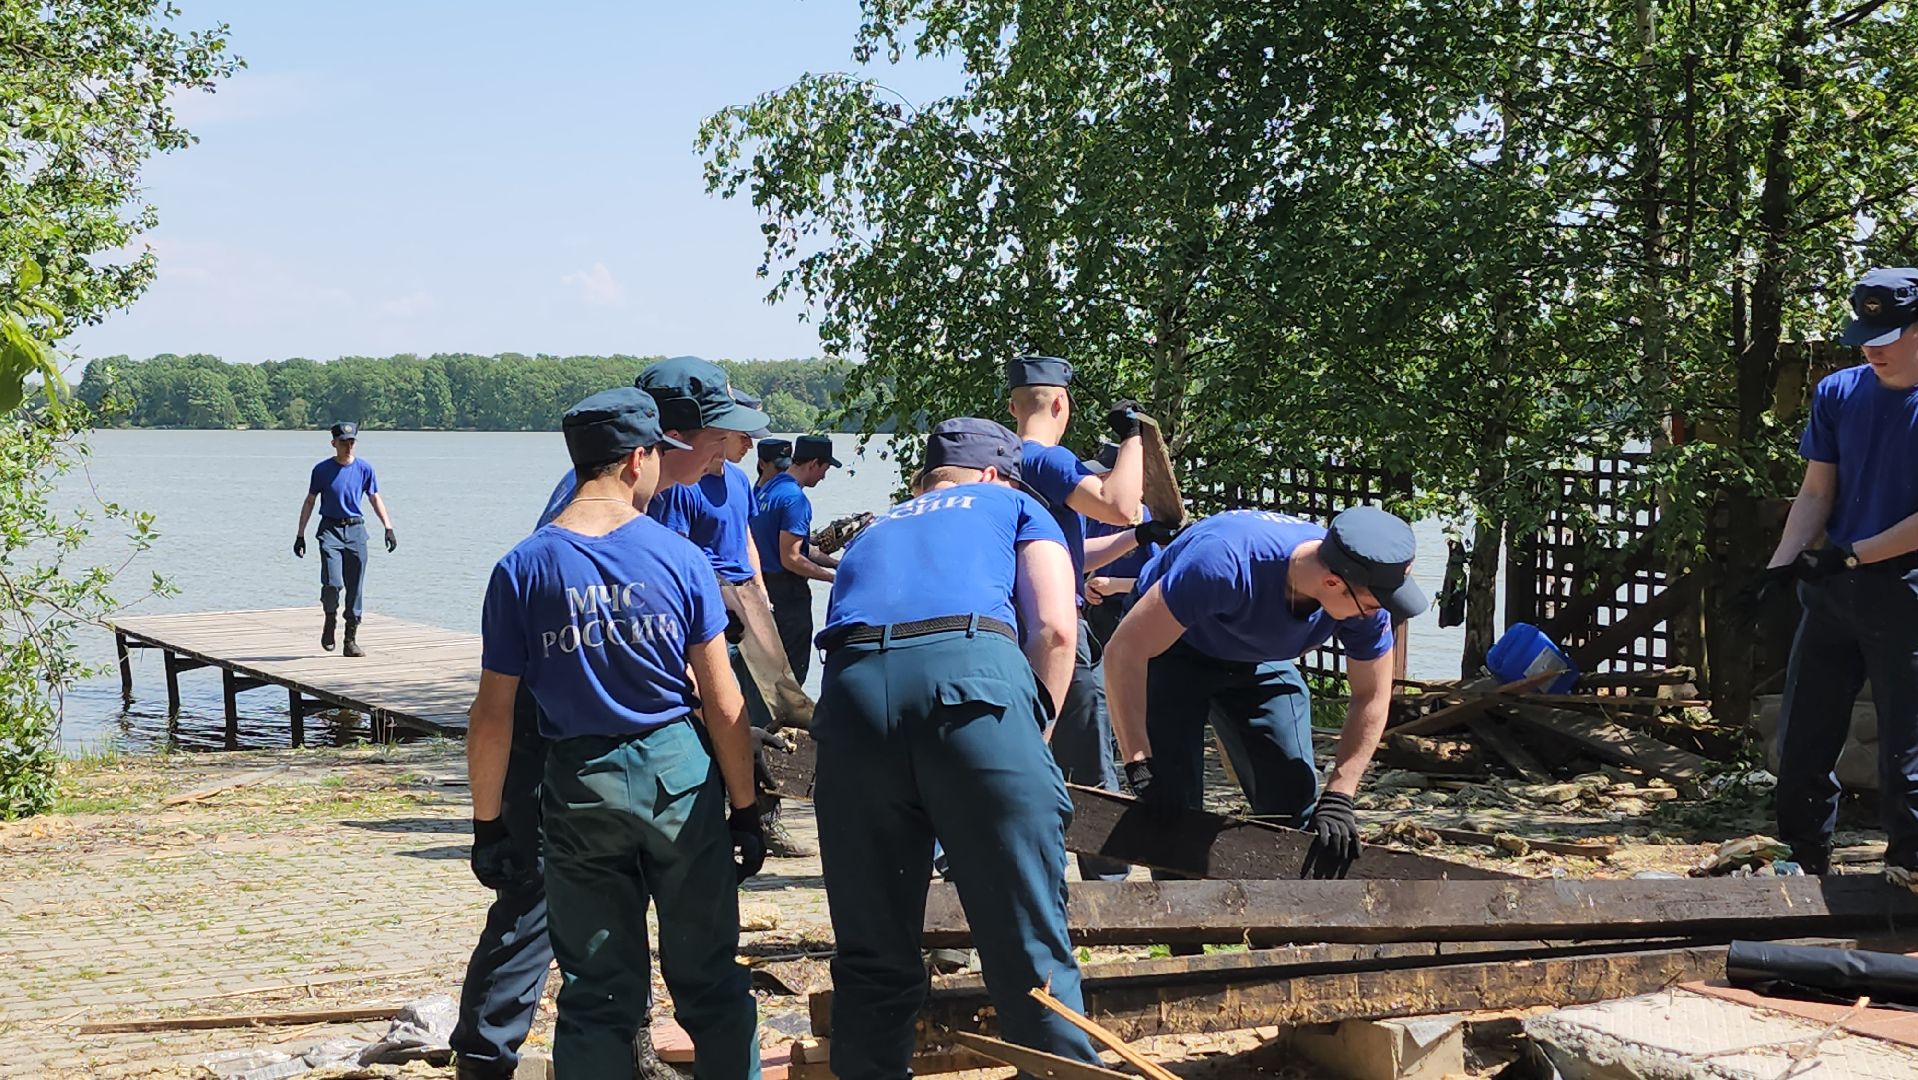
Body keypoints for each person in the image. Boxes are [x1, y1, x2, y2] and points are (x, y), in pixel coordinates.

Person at [453, 360, 767, 1080]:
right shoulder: (682, 560)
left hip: (578, 780)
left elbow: (491, 715)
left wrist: (488, 824)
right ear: (637, 458)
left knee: (596, 989)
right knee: (711, 977)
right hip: (675, 775)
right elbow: (724, 704)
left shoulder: (520, 568)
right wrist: (745, 811)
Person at [811, 417, 1103, 1079]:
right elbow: (1057, 629)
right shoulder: (1018, 505)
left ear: (923, 480)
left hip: (854, 700)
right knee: (1027, 942)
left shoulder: (873, 528)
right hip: (971, 680)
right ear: (998, 473)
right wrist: (1034, 735)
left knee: (872, 951)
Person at [1104, 507, 1428, 879]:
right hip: (1171, 649)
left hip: (1258, 657)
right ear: (1333, 583)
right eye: (1371, 605)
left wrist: (1340, 793)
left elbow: (1371, 694)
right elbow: (1124, 652)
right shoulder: (1223, 562)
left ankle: (1279, 924)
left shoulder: (1364, 602)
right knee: (1171, 803)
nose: (1376, 615)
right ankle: (1185, 932)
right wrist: (1139, 761)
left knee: (1293, 792)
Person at [1766, 267, 1918, 877]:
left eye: (1887, 333)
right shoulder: (1839, 392)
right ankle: (1800, 864)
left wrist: (1854, 553)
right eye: (1864, 333)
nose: (1871, 346)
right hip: (1832, 591)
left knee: (1906, 750)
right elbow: (1815, 493)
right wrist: (1778, 569)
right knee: (1802, 739)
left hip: (1905, 592)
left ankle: (1908, 872)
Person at [1006, 355, 1160, 882]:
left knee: (1009, 746)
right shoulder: (1048, 460)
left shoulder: (1001, 462)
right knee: (1091, 762)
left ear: (1012, 404)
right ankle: (1109, 884)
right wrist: (1135, 436)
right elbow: (1120, 503)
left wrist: (1138, 540)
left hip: (1010, 627)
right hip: (1060, 634)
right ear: (1060, 403)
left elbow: (1067, 558)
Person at [649, 390, 813, 858]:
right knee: (715, 705)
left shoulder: (740, 481)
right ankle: (712, 811)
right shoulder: (683, 483)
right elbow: (677, 552)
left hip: (746, 598)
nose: (748, 446)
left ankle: (765, 817)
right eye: (743, 437)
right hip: (709, 596)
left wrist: (760, 593)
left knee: (774, 707)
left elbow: (744, 537)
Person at [292, 421, 396, 657]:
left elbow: (374, 498)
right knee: (333, 582)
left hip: (356, 531)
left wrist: (388, 527)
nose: (348, 446)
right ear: (334, 444)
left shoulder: (364, 469)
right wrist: (300, 534)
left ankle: (350, 640)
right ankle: (330, 618)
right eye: (343, 443)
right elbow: (310, 501)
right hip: (330, 530)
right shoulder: (321, 470)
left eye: (351, 442)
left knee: (355, 587)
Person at [751, 433, 840, 683]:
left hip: (760, 589)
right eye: (824, 469)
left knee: (766, 673)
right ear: (813, 464)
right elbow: (790, 558)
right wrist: (833, 578)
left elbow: (799, 548)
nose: (823, 477)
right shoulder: (795, 499)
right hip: (787, 595)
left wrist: (836, 563)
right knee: (792, 672)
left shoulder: (765, 489)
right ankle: (790, 721)